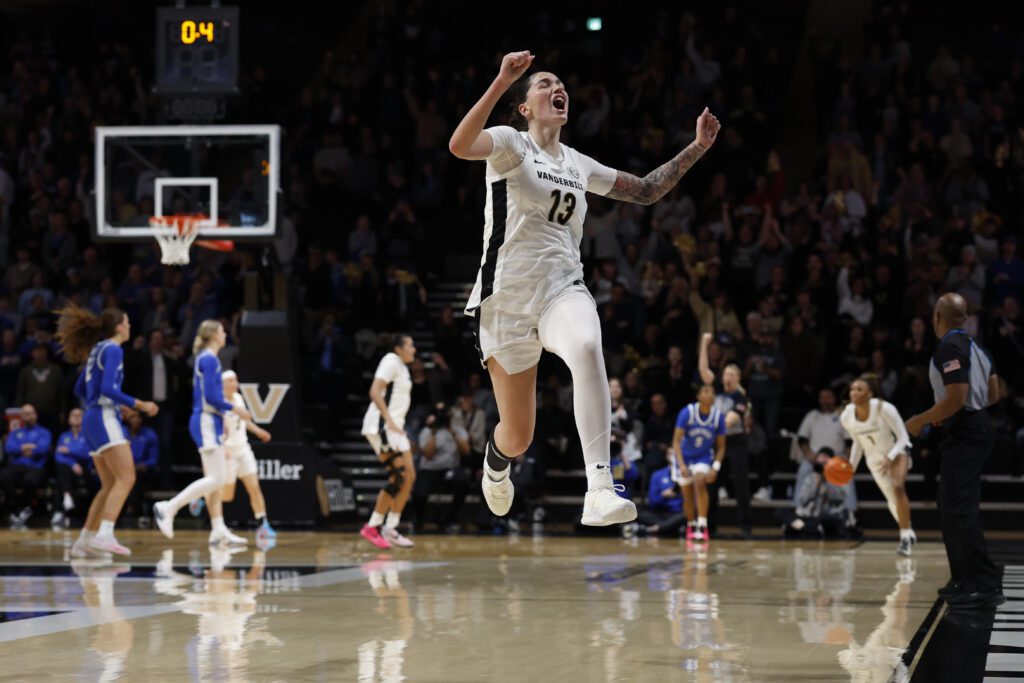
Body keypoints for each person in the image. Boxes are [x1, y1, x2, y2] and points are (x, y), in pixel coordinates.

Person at [449, 50, 720, 526]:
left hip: (561, 288)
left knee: (588, 344)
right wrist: (500, 81)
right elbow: (459, 144)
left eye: (560, 83)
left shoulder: (579, 164)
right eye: (544, 83)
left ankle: (598, 487)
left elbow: (646, 190)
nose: (558, 87)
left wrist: (696, 148)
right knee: (518, 436)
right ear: (525, 107)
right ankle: (496, 467)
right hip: (505, 301)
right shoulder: (512, 143)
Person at [905, 293, 1004, 610]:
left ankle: (983, 583)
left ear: (937, 317)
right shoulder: (978, 348)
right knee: (952, 505)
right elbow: (993, 394)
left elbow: (957, 397)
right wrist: (949, 414)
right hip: (975, 426)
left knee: (959, 508)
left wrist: (922, 419)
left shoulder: (949, 346)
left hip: (966, 431)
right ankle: (963, 577)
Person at [55, 305, 159, 557]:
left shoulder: (96, 350)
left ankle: (85, 540)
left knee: (109, 483)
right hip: (102, 417)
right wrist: (138, 404)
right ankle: (105, 534)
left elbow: (82, 388)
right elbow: (108, 389)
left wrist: (113, 403)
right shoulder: (113, 349)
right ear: (119, 326)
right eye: (127, 322)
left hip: (93, 417)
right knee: (126, 478)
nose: (130, 326)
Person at [152, 320, 251, 547]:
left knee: (216, 478)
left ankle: (218, 529)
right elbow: (213, 398)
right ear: (214, 335)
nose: (225, 334)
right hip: (205, 420)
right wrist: (237, 410)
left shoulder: (206, 358)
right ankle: (169, 507)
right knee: (218, 478)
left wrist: (223, 418)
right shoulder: (209, 359)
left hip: (211, 419)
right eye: (222, 331)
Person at [840, 374, 916, 555]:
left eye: (859, 389)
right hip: (873, 460)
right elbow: (857, 443)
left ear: (870, 394)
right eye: (852, 389)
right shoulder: (846, 416)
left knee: (898, 488)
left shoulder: (884, 408)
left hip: (896, 452)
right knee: (891, 500)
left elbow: (903, 437)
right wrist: (851, 467)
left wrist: (889, 458)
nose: (854, 393)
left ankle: (904, 537)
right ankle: (908, 530)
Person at [359, 334, 418, 549]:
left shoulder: (402, 367)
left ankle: (390, 527)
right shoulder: (390, 361)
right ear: (398, 347)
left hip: (396, 428)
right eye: (410, 345)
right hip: (383, 426)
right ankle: (373, 526)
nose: (414, 349)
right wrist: (389, 420)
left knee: (409, 477)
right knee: (398, 478)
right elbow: (374, 391)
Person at [698, 332, 753, 537]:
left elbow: (732, 419)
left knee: (740, 485)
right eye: (726, 374)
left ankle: (745, 526)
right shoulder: (716, 390)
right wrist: (704, 343)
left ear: (738, 378)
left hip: (736, 442)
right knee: (712, 483)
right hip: (717, 443)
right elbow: (703, 370)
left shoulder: (741, 396)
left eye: (732, 374)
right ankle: (710, 526)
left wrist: (707, 425)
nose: (728, 377)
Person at [218, 371, 275, 544]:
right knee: (227, 496)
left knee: (254, 487)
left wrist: (258, 431)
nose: (234, 383)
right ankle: (204, 499)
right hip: (227, 451)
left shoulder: (238, 398)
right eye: (230, 380)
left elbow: (244, 421)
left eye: (235, 379)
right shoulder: (219, 402)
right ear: (222, 384)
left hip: (243, 448)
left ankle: (263, 524)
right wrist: (222, 447)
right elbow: (216, 427)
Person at [672, 385, 726, 541]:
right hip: (684, 456)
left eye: (712, 392)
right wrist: (681, 464)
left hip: (703, 456)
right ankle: (691, 525)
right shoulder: (687, 412)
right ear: (698, 396)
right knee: (687, 497)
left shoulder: (718, 417)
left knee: (700, 481)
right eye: (706, 391)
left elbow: (721, 447)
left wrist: (715, 468)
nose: (710, 395)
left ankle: (702, 525)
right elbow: (676, 441)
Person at [412, 404, 470, 532]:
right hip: (430, 469)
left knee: (463, 480)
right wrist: (434, 432)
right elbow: (428, 455)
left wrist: (453, 433)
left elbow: (466, 451)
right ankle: (419, 519)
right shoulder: (427, 432)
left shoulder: (458, 431)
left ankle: (450, 519)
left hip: (450, 469)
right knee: (419, 493)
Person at [794, 388, 854, 511]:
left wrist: (847, 460)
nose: (825, 400)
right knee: (803, 470)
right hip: (815, 457)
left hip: (836, 457)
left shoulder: (842, 416)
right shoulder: (812, 415)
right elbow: (802, 439)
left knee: (847, 473)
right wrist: (810, 455)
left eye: (828, 396)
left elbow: (849, 442)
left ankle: (850, 511)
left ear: (834, 398)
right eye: (822, 397)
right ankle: (798, 507)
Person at [1, 403, 52, 527]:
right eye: (25, 414)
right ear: (21, 417)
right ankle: (18, 507)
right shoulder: (15, 433)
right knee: (3, 476)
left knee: (30, 481)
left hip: (36, 466)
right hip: (17, 466)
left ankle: (26, 507)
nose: (28, 416)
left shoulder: (43, 432)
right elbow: (9, 448)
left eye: (30, 414)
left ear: (35, 415)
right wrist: (29, 447)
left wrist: (22, 448)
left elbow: (43, 449)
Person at [51, 407, 93, 528]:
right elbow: (58, 456)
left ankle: (61, 505)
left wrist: (69, 450)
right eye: (73, 415)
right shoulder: (64, 436)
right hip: (70, 470)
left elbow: (88, 454)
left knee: (62, 474)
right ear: (69, 419)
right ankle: (66, 496)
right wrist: (73, 463)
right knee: (62, 469)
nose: (76, 417)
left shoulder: (89, 435)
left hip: (86, 469)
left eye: (79, 415)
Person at [123, 407, 159, 518]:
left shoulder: (150, 435)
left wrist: (142, 465)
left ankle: (131, 509)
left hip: (141, 470)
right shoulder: (121, 432)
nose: (136, 419)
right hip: (123, 468)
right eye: (133, 416)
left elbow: (153, 460)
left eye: (139, 416)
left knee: (136, 476)